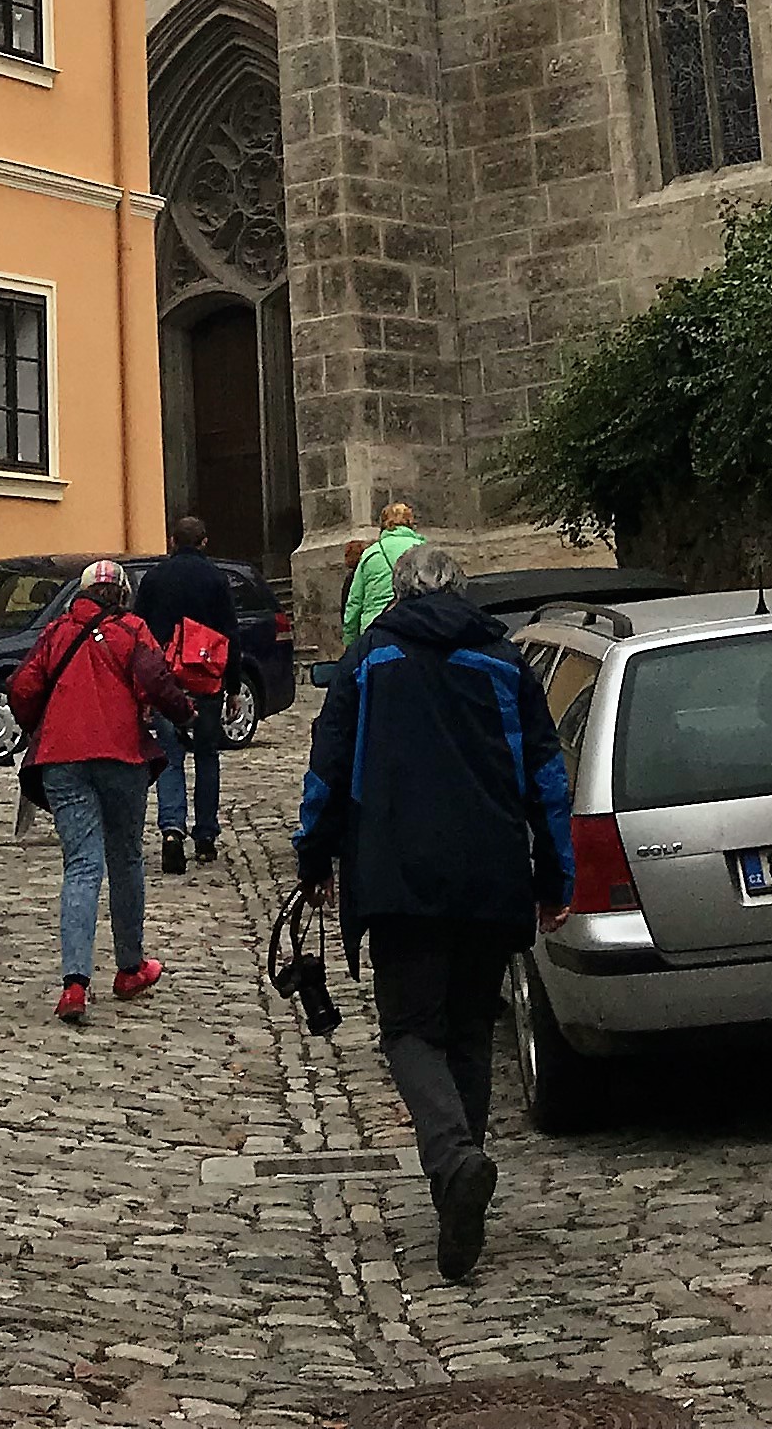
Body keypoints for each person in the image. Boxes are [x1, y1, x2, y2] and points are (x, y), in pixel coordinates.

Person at [293, 541, 573, 1287]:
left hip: (399, 875)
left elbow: (328, 765)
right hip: (490, 874)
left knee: (411, 1031)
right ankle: (459, 1192)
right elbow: (546, 777)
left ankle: (453, 1161)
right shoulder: (504, 661)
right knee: (470, 1033)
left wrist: (314, 856)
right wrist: (555, 874)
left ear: (399, 592)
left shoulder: (371, 659)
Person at [7, 556, 183, 1025]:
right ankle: (130, 967)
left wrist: (42, 725)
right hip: (121, 755)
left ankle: (74, 984)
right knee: (125, 857)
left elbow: (22, 688)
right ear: (122, 594)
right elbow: (156, 679)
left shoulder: (57, 632)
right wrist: (184, 712)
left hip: (62, 759)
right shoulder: (132, 630)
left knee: (81, 866)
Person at [136, 511, 236, 878]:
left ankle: (172, 831)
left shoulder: (154, 578)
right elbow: (230, 634)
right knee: (207, 756)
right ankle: (206, 835)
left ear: (172, 542)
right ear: (204, 542)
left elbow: (140, 635)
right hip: (206, 680)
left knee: (170, 756)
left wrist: (143, 690)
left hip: (167, 681)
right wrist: (233, 686)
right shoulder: (217, 579)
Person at [338, 496, 421, 652]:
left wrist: (350, 642)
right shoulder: (423, 550)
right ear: (410, 522)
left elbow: (355, 602)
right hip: (415, 627)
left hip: (375, 630)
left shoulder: (371, 554)